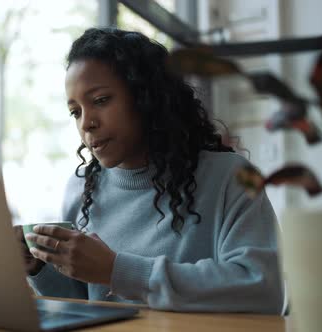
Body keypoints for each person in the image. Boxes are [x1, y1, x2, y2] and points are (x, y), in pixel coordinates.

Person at [16, 27, 283, 314]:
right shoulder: (80, 189)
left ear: (146, 98)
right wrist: (39, 269)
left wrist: (117, 271)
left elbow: (261, 289)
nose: (86, 123)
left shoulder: (231, 178)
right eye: (76, 111)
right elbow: (84, 301)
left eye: (101, 100)